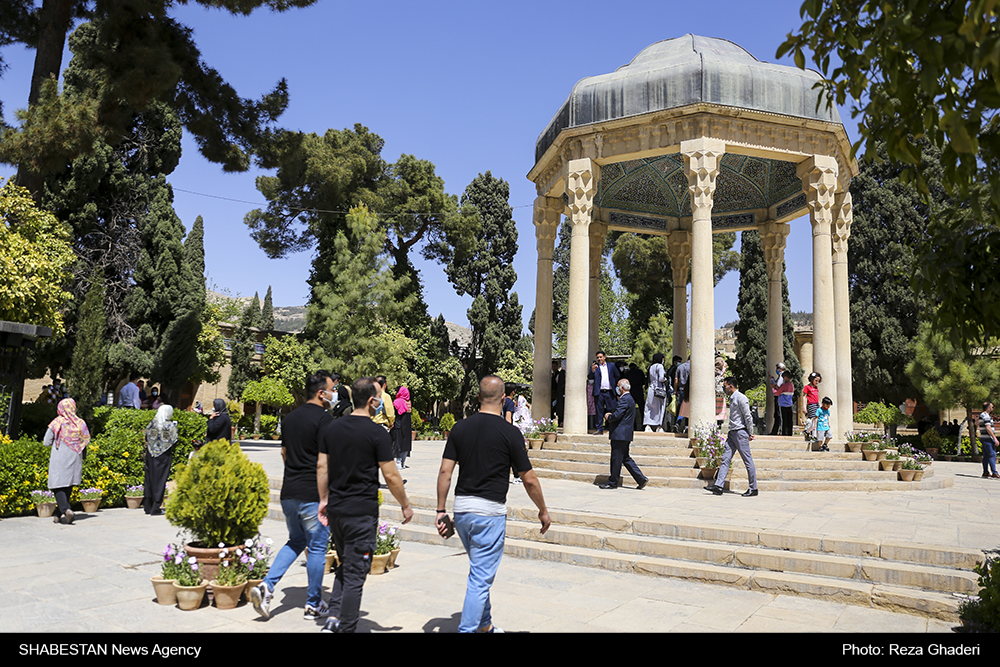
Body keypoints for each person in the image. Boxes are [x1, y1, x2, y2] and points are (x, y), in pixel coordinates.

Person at [435, 375, 551, 633]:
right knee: (480, 577)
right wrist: (543, 510)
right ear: (503, 399)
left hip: (463, 510)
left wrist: (441, 510)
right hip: (489, 514)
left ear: (478, 397)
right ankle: (467, 629)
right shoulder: (510, 434)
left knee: (479, 571)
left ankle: (485, 625)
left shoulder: (459, 428)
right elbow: (529, 479)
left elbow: (445, 472)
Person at [318, 377, 413, 633]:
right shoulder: (376, 433)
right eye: (380, 397)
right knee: (357, 573)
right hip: (360, 512)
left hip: (337, 509)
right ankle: (347, 626)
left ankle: (334, 618)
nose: (382, 402)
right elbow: (391, 475)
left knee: (345, 564)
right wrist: (405, 504)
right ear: (372, 401)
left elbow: (322, 467)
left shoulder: (333, 429)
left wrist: (323, 499)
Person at [250, 370, 335, 622]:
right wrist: (324, 497)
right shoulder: (325, 420)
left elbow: (284, 454)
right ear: (322, 393)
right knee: (318, 547)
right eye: (332, 388)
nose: (334, 392)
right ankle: (313, 604)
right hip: (312, 493)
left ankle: (267, 586)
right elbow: (323, 464)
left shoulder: (289, 419)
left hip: (289, 491)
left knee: (296, 541)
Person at [705, 377, 758, 497]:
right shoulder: (732, 398)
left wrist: (750, 432)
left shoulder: (741, 398)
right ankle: (718, 486)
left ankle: (753, 488)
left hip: (740, 432)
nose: (724, 388)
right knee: (725, 459)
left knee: (747, 460)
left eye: (725, 385)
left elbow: (747, 416)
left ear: (731, 386)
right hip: (732, 433)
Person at [44, 398, 90, 525]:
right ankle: (58, 514)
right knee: (68, 484)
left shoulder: (57, 422)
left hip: (59, 457)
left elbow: (46, 442)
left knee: (57, 485)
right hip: (75, 457)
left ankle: (66, 510)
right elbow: (86, 440)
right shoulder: (80, 423)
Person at [600, 379, 649, 490]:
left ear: (622, 388)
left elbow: (618, 415)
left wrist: (609, 417)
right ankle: (640, 478)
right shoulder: (630, 399)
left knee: (616, 458)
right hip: (625, 434)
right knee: (625, 458)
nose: (617, 389)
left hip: (619, 434)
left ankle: (613, 482)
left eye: (618, 386)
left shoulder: (624, 399)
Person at [143, 404, 178, 515]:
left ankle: (147, 507)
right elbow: (174, 439)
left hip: (150, 455)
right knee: (160, 480)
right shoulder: (169, 425)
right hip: (163, 456)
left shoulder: (151, 423)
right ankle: (155, 507)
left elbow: (146, 437)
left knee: (149, 479)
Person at [588, 351, 620, 435]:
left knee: (613, 409)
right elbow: (590, 377)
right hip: (599, 393)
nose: (599, 359)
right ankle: (599, 429)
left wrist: (614, 384)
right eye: (598, 357)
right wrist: (592, 371)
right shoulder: (595, 367)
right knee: (599, 411)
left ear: (604, 357)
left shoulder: (611, 366)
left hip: (610, 392)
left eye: (600, 357)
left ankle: (613, 427)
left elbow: (617, 375)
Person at [643, 353, 668, 433]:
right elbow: (661, 378)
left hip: (651, 389)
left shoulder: (651, 367)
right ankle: (659, 426)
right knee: (660, 408)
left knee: (649, 407)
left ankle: (648, 425)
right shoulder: (660, 366)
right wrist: (666, 379)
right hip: (659, 390)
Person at [392, 386, 412, 469]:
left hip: (398, 426)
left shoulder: (397, 402)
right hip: (407, 426)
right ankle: (403, 462)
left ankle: (398, 462)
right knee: (405, 444)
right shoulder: (408, 402)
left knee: (398, 444)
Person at [979, 402, 1000, 479]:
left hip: (984, 438)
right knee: (992, 455)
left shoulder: (983, 415)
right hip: (987, 438)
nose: (993, 408)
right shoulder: (985, 416)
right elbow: (988, 428)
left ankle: (985, 472)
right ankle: (994, 472)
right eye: (992, 407)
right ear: (988, 408)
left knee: (986, 456)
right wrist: (995, 438)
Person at [771, 370, 795, 436]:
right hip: (789, 404)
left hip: (782, 404)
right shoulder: (791, 385)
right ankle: (789, 432)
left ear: (786, 377)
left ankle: (783, 432)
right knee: (789, 419)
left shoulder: (784, 385)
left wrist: (773, 387)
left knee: (783, 419)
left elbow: (777, 393)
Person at [625, 363, 647, 431]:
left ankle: (633, 426)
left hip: (631, 392)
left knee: (631, 409)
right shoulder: (640, 372)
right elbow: (644, 382)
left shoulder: (628, 373)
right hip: (639, 391)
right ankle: (644, 425)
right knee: (642, 409)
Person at [674, 357, 691, 434]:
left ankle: (677, 423)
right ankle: (687, 426)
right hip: (690, 390)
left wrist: (675, 390)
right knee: (689, 409)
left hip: (681, 389)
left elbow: (676, 380)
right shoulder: (693, 366)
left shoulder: (680, 367)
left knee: (682, 408)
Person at [803, 372, 822, 440]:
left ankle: (807, 431)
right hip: (811, 404)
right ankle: (814, 436)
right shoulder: (807, 387)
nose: (817, 382)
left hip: (816, 404)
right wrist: (804, 407)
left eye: (818, 381)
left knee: (816, 420)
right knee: (814, 419)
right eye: (816, 380)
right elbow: (804, 396)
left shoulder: (816, 387)